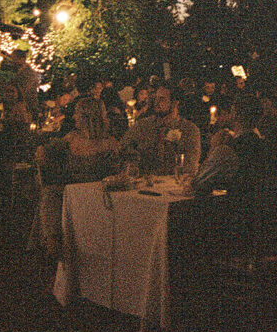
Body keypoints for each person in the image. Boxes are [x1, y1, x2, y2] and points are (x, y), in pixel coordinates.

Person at [35, 97, 121, 256]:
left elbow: (117, 172)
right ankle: (53, 244)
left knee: (53, 195)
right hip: (72, 192)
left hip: (97, 194)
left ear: (88, 116)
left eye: (77, 113)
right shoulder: (71, 138)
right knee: (51, 194)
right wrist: (42, 151)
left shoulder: (109, 143)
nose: (73, 117)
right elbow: (47, 150)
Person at [121, 84, 201, 176]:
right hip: (144, 183)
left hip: (173, 185)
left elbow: (190, 167)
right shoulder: (143, 125)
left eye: (162, 99)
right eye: (156, 98)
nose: (156, 102)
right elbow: (123, 147)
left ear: (175, 103)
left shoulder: (189, 130)